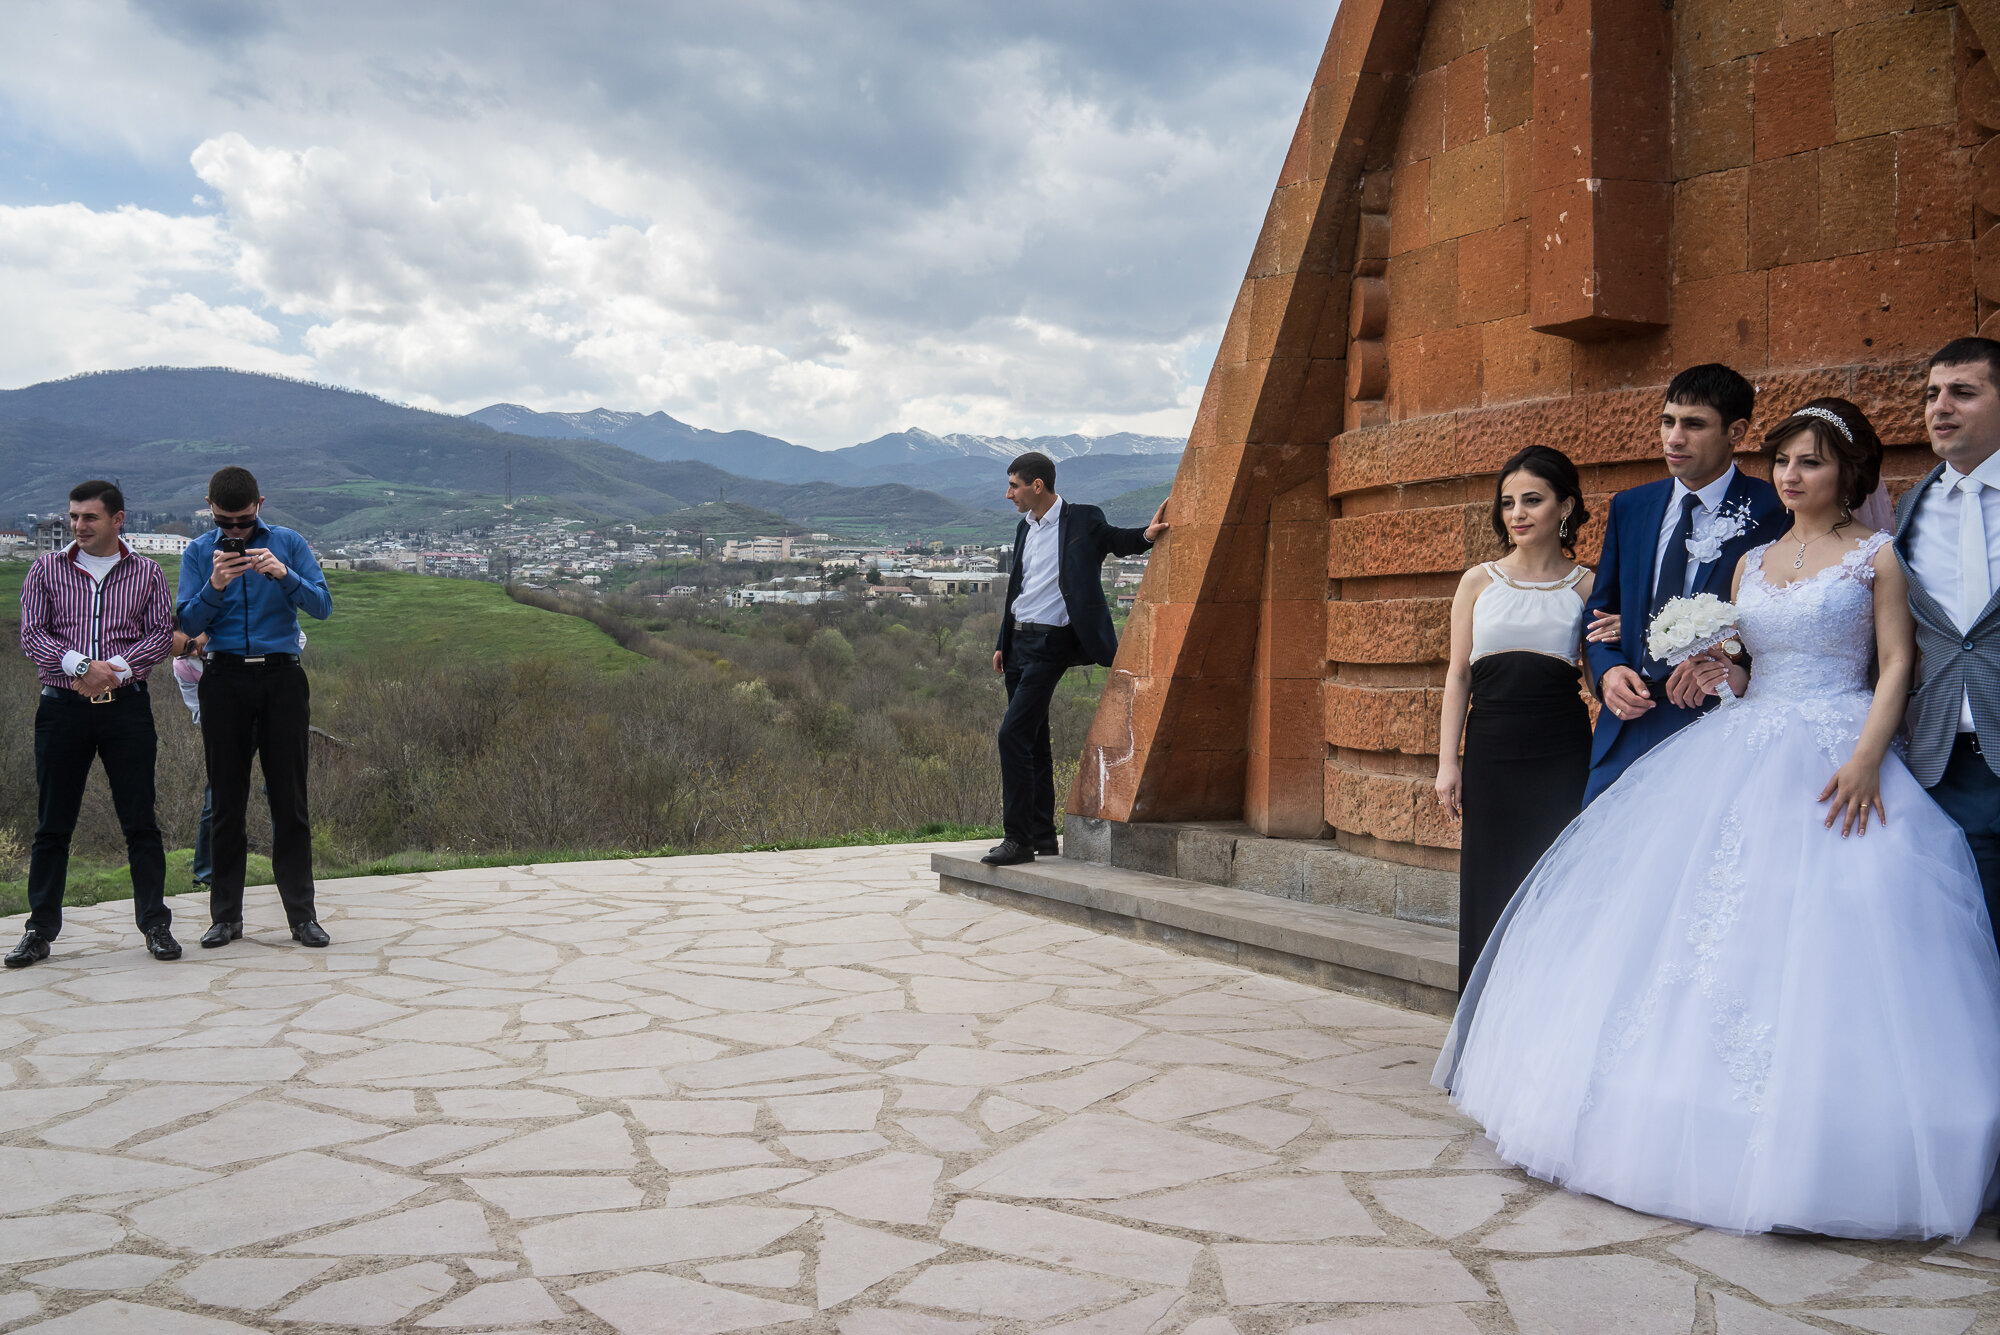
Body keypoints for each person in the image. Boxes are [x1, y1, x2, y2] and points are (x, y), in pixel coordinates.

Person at [1436, 397, 2000, 1241]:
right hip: (1746, 744)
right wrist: (1717, 675)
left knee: (1837, 932)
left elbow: (1895, 667)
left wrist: (1866, 756)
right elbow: (1748, 667)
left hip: (1842, 749)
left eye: (1810, 462)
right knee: (1709, 922)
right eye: (1785, 462)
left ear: (1845, 473)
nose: (1792, 475)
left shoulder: (1878, 556)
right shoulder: (1751, 562)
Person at [1581, 364, 1787, 803]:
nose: (1674, 438)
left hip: (1716, 721)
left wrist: (1732, 665)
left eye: (1694, 425)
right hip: (1628, 725)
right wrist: (1608, 671)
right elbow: (1598, 614)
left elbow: (1788, 616)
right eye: (1667, 421)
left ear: (1737, 431)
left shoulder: (1774, 509)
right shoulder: (1631, 507)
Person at [1434, 447, 1595, 990]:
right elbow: (1458, 676)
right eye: (1508, 503)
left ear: (1565, 506)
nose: (1517, 514)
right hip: (1491, 754)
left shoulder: (1587, 586)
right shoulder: (1477, 581)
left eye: (1533, 500)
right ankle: (1479, 1032)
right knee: (1490, 881)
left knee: (1553, 881)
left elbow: (1596, 681)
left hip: (1562, 754)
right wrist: (1446, 765)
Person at [9, 480, 179, 967]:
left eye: (90, 517)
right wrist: (81, 666)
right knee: (52, 826)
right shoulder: (45, 569)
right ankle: (39, 930)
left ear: (117, 519)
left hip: (127, 709)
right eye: (74, 516)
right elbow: (32, 635)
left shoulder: (146, 573)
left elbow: (157, 636)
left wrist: (115, 670)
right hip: (61, 709)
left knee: (140, 822)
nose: (78, 525)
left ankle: (155, 925)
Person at [174, 466, 333, 949]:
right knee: (226, 801)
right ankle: (225, 917)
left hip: (283, 676)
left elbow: (322, 606)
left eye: (243, 521)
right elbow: (185, 621)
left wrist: (284, 576)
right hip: (223, 678)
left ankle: (301, 917)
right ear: (211, 509)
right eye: (226, 522)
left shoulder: (288, 542)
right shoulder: (201, 553)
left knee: (289, 799)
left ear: (260, 504)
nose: (236, 533)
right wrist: (215, 586)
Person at [984, 451, 1167, 866]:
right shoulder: (1024, 527)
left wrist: (1148, 534)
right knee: (1031, 741)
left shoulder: (1082, 519)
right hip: (1018, 643)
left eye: (1013, 485)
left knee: (1011, 736)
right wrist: (1002, 642)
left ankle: (1017, 839)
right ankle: (1043, 837)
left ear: (1037, 485)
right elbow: (1019, 588)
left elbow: (1116, 540)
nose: (1008, 493)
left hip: (1052, 644)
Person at [1897, 337, 2000, 958]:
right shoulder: (1911, 510)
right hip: (1946, 764)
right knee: (1969, 954)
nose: (1941, 407)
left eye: (1963, 392)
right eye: (1932, 394)